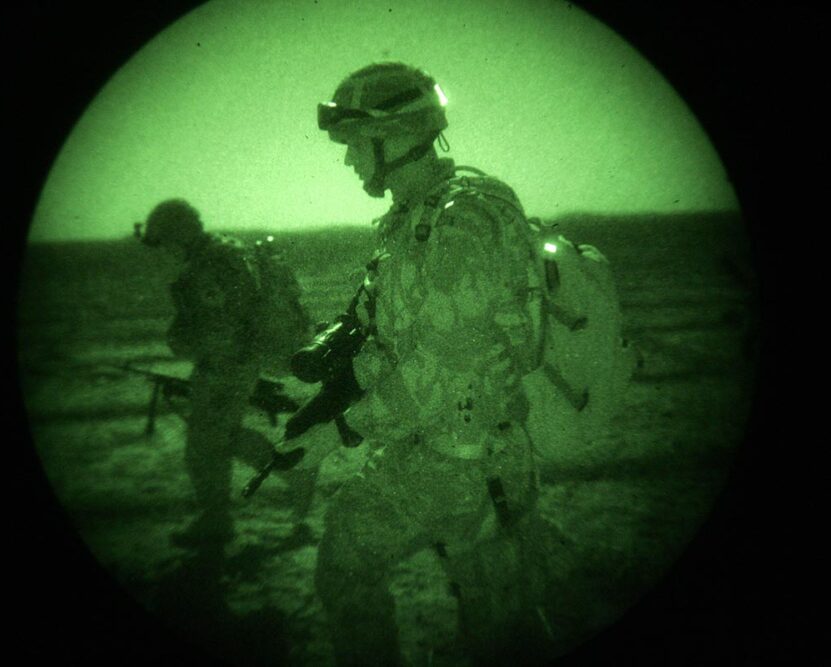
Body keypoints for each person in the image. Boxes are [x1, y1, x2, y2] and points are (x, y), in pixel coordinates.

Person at [312, 63, 552, 666]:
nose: (348, 162)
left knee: (497, 631)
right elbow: (393, 344)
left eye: (354, 147)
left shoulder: (464, 220)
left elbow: (447, 371)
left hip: (476, 463)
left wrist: (336, 434)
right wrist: (319, 399)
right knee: (492, 624)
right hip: (437, 452)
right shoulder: (407, 222)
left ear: (392, 137)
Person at [140, 199, 314, 550]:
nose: (166, 252)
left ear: (180, 235)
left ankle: (224, 516)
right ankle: (284, 479)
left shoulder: (208, 266)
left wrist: (181, 341)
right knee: (219, 439)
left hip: (227, 366)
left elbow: (222, 326)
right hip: (231, 363)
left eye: (166, 242)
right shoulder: (221, 254)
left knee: (206, 444)